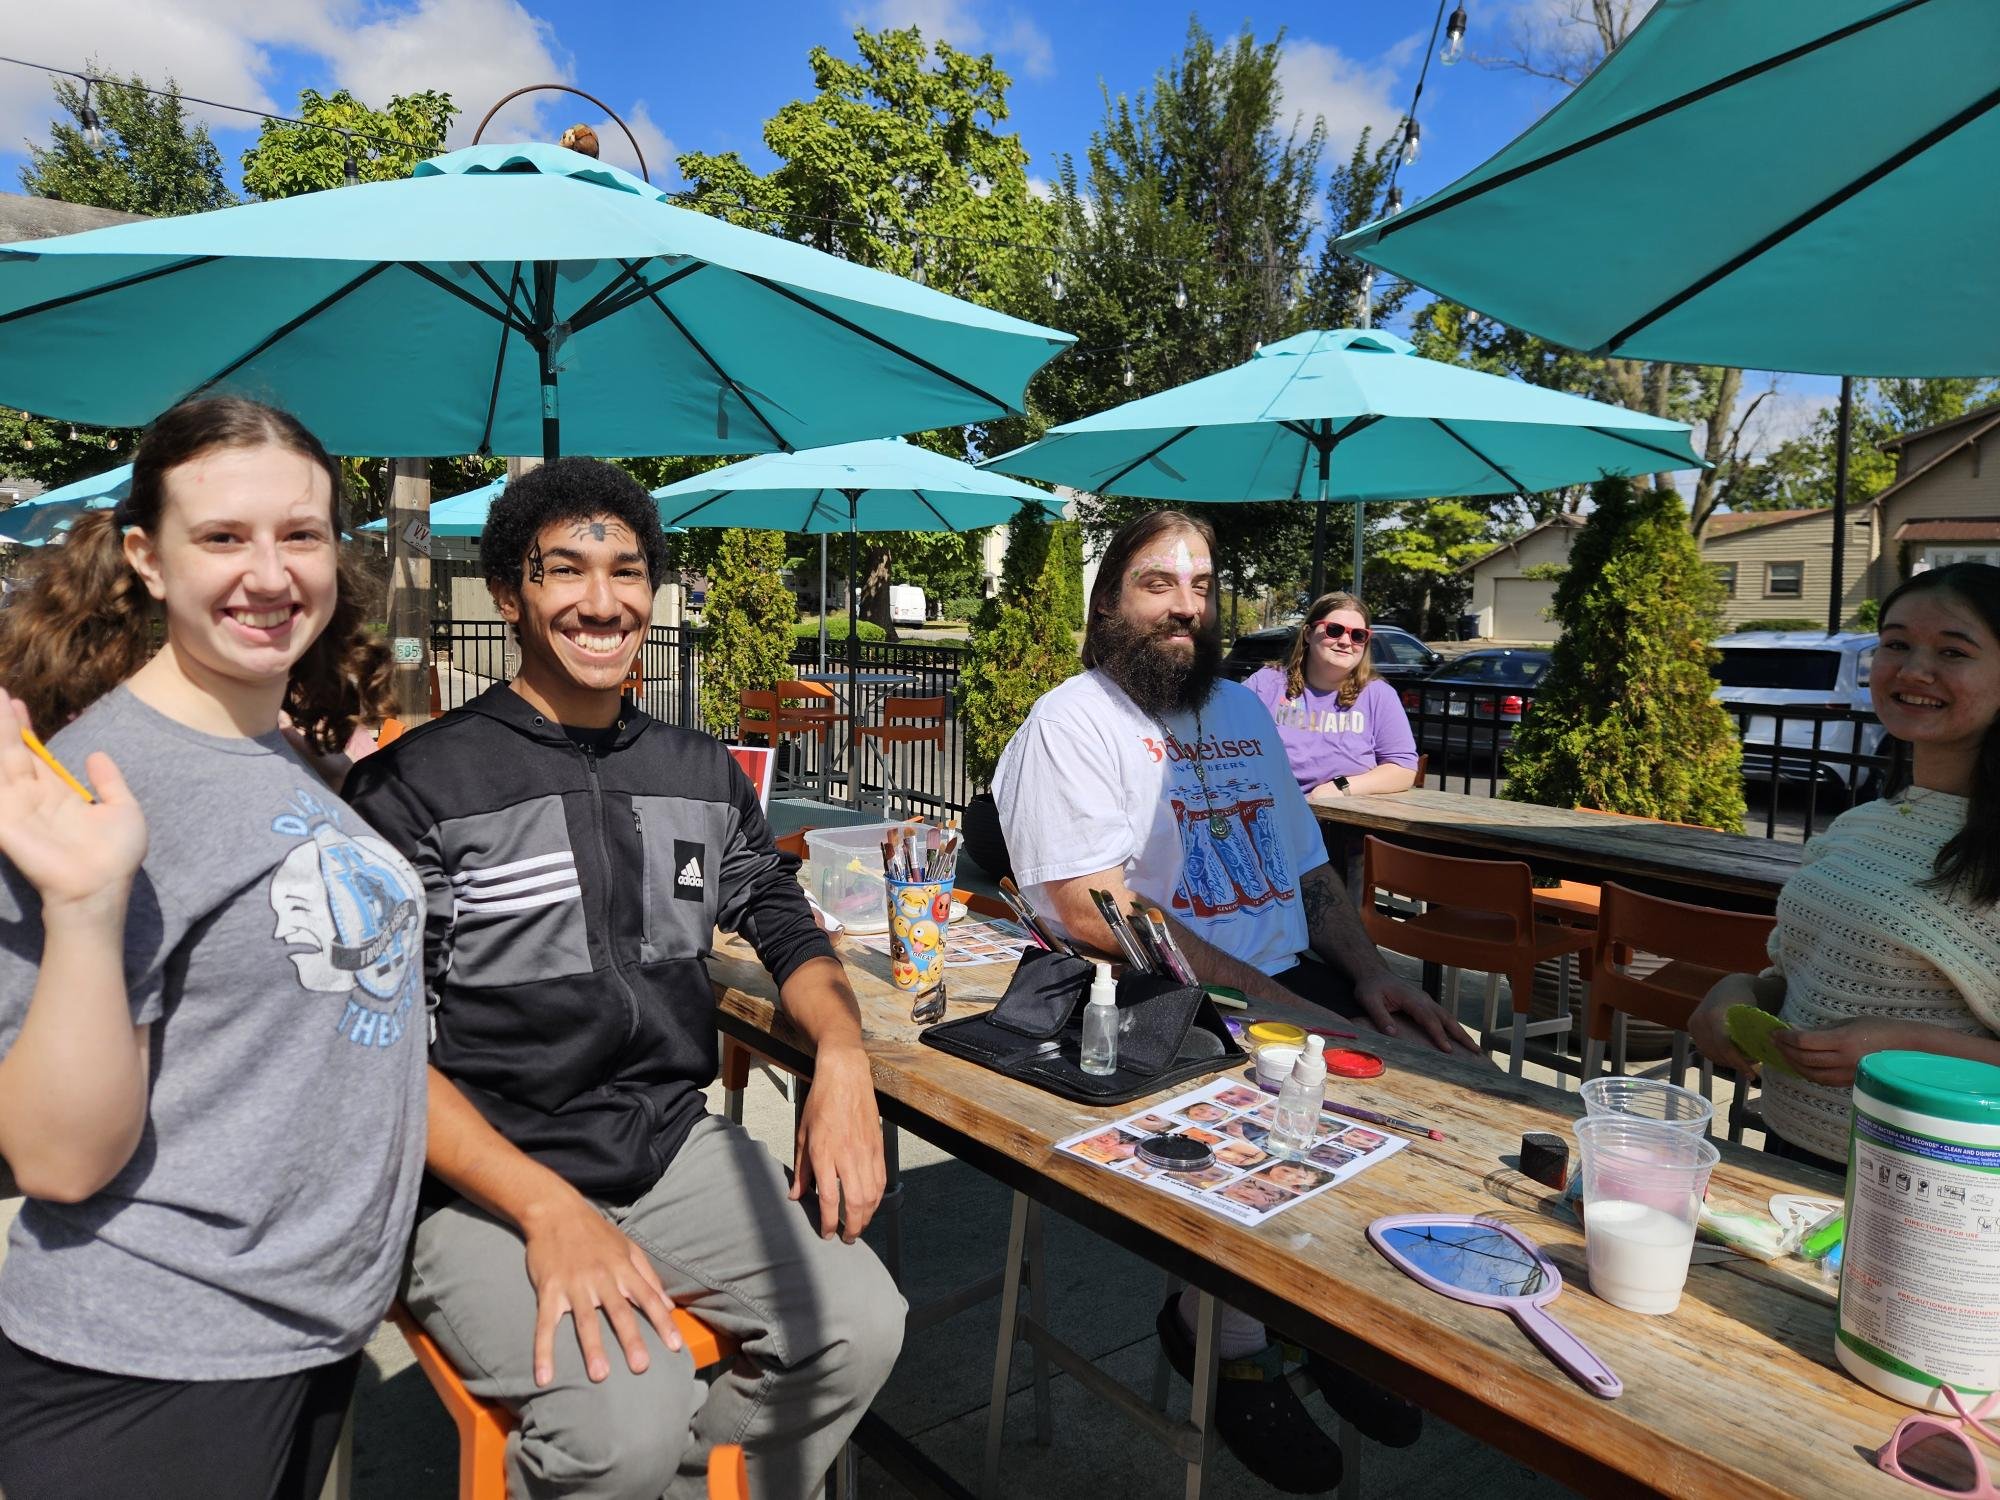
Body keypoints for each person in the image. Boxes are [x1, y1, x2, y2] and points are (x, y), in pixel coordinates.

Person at [344, 458, 902, 1500]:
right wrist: (548, 1210)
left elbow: (780, 920)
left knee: (860, 1324)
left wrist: (839, 1053)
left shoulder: (698, 772)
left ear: (654, 591)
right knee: (622, 1421)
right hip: (476, 1180)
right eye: (566, 572)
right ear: (511, 595)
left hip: (662, 1145)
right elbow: (367, 1045)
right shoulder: (412, 786)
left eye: (627, 571)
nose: (602, 601)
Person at [991, 508, 1477, 1493]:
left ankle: (1337, 1316)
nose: (1184, 606)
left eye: (1201, 586)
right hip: (1163, 997)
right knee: (1325, 1096)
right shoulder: (1072, 721)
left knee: (1460, 1087)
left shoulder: (1242, 712)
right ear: (1107, 600)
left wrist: (1374, 976)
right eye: (1156, 583)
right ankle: (1222, 1329)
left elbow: (1306, 874)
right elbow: (1091, 909)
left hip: (1288, 980)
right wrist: (1279, 1006)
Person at [0, 397, 426, 1500]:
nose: (270, 574)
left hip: (297, 1334)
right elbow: (54, 1159)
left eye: (300, 534)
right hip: (149, 1360)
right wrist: (88, 909)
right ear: (146, 558)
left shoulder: (274, 749)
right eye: (223, 537)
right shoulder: (95, 787)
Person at [1690, 563, 2000, 1170]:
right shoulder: (1861, 824)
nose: (1913, 670)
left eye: (1953, 651)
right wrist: (1743, 990)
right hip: (1790, 1153)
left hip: (1937, 1190)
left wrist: (1902, 1047)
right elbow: (1805, 979)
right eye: (1896, 644)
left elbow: (1892, 1028)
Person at [1246, 591, 1419, 798]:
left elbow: (1402, 768)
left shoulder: (1379, 695)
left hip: (1341, 820)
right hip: (1269, 811)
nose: (1346, 641)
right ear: (1308, 634)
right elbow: (1219, 740)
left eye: (1358, 635)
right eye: (1334, 630)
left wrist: (1338, 788)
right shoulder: (1266, 684)